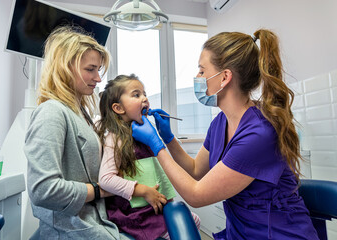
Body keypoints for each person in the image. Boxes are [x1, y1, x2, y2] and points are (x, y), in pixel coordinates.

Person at [131, 29, 319, 239]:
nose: (197, 77)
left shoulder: (259, 134)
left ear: (224, 77)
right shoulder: (220, 122)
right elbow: (195, 171)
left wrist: (156, 145)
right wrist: (168, 138)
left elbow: (196, 195)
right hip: (240, 233)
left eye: (202, 71)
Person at [24, 25, 129, 239]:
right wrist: (99, 190)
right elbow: (43, 190)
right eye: (90, 69)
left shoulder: (80, 114)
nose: (98, 78)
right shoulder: (51, 112)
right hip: (72, 229)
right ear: (65, 67)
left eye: (98, 70)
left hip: (93, 222)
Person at [97, 74, 201, 240]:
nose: (145, 98)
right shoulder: (115, 138)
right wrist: (143, 191)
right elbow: (106, 179)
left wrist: (166, 137)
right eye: (136, 95)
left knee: (194, 220)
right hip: (136, 213)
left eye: (144, 93)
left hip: (154, 207)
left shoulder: (143, 134)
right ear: (118, 108)